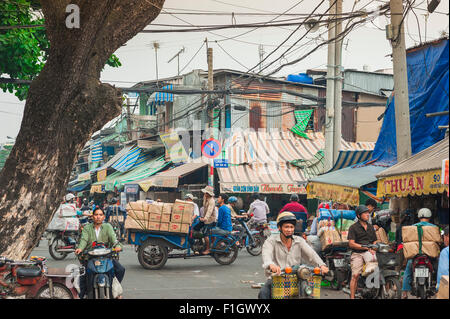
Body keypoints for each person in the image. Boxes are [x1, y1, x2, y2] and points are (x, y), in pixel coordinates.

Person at [258, 212, 329, 299]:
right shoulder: (271, 241)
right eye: (286, 227)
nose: (289, 230)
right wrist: (270, 264)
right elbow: (266, 254)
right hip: (277, 279)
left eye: (291, 227)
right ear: (279, 228)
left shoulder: (299, 241)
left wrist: (321, 265)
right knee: (263, 294)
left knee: (310, 294)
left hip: (297, 278)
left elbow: (311, 254)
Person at [75, 207, 125, 299]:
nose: (98, 217)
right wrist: (80, 249)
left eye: (100, 215)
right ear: (92, 217)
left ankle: (115, 288)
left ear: (103, 217)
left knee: (120, 269)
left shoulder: (108, 227)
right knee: (83, 276)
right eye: (96, 215)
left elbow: (114, 240)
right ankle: (85, 294)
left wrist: (117, 246)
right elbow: (84, 240)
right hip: (90, 258)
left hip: (107, 257)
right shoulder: (87, 228)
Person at [401, 208, 439, 299]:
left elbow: (405, 239)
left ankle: (404, 292)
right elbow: (439, 240)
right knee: (438, 269)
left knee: (408, 271)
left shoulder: (412, 227)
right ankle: (439, 289)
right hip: (429, 256)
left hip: (415, 256)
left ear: (419, 217)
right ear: (429, 216)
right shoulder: (434, 227)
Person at [347, 205, 378, 299]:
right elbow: (351, 244)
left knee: (375, 270)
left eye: (368, 213)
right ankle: (352, 297)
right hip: (357, 253)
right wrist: (364, 248)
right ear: (359, 215)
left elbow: (375, 241)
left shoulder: (371, 227)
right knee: (355, 275)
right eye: (365, 213)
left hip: (369, 251)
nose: (367, 214)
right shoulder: (353, 227)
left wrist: (373, 248)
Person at [199, 186, 217, 255]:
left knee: (205, 233)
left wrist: (205, 218)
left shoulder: (211, 201)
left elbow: (209, 211)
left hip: (211, 220)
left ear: (208, 193)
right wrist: (202, 217)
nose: (204, 193)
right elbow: (204, 208)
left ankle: (208, 249)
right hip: (205, 218)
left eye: (205, 192)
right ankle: (213, 246)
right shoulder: (205, 197)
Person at [436, 226, 449, 291]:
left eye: (443, 237)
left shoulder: (446, 252)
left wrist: (440, 289)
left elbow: (444, 273)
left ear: (447, 237)